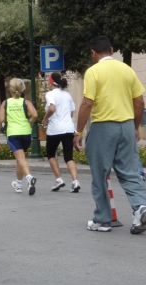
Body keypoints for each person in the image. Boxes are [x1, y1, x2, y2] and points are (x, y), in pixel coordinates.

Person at [74, 36, 146, 234]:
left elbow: (87, 103)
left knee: (100, 174)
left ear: (93, 53)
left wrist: (78, 131)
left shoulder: (93, 71)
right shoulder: (127, 70)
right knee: (130, 171)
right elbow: (139, 102)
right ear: (112, 50)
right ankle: (141, 207)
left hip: (103, 126)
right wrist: (135, 126)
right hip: (126, 125)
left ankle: (102, 219)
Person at [42, 73, 80, 193]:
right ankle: (75, 181)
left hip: (55, 129)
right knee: (68, 156)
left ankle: (59, 179)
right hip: (68, 128)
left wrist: (45, 119)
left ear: (52, 82)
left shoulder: (50, 94)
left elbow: (52, 108)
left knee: (51, 154)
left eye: (48, 81)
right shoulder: (67, 95)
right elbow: (71, 113)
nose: (48, 83)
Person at [0, 78, 38, 195]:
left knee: (21, 159)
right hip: (26, 132)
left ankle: (29, 177)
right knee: (20, 159)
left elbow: (1, 119)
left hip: (13, 133)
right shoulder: (25, 102)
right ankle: (18, 184)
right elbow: (35, 115)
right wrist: (30, 122)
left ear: (10, 90)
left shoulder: (5, 103)